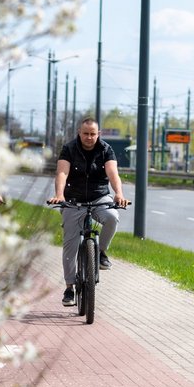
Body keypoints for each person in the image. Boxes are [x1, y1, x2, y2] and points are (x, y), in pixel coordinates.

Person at [48, 117, 129, 306]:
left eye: (93, 134)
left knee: (112, 217)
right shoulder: (69, 149)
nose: (89, 137)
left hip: (99, 196)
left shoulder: (106, 149)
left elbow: (112, 173)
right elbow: (62, 173)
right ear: (79, 132)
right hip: (73, 200)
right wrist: (60, 195)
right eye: (85, 133)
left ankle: (100, 253)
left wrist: (119, 193)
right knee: (71, 244)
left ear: (98, 134)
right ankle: (69, 288)